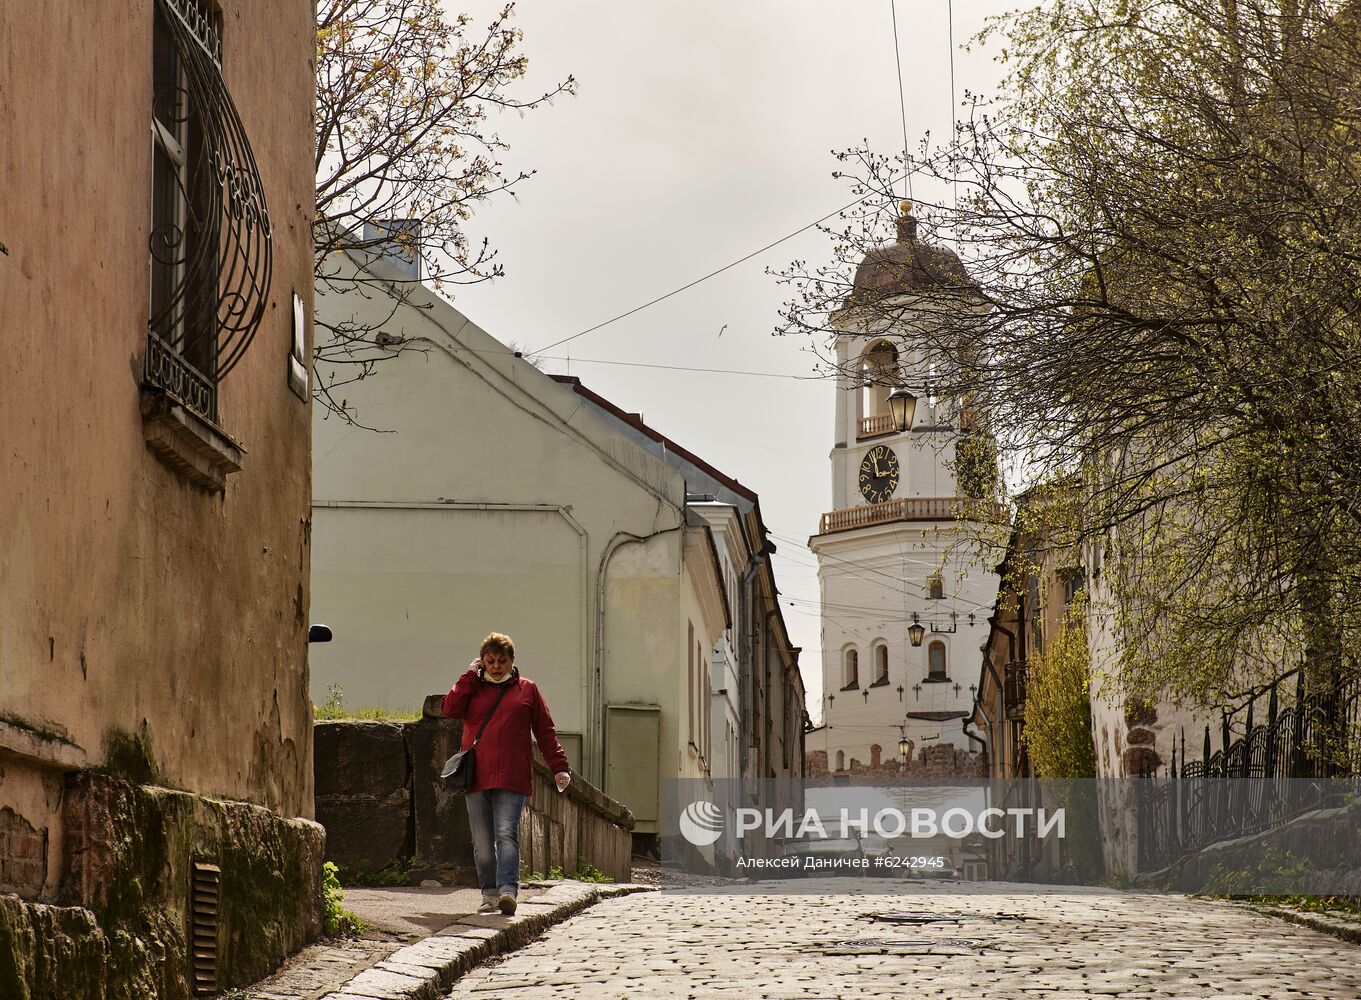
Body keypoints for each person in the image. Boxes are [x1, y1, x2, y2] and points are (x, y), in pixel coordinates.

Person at [440, 632, 571, 915]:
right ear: (482, 661)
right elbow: (449, 709)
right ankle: (489, 894)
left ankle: (508, 891)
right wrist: (468, 676)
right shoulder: (473, 686)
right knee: (483, 841)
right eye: (490, 661)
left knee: (505, 833)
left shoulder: (527, 690)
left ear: (512, 662)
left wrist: (559, 767)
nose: (496, 666)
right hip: (477, 774)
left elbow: (545, 731)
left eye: (502, 660)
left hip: (512, 774)